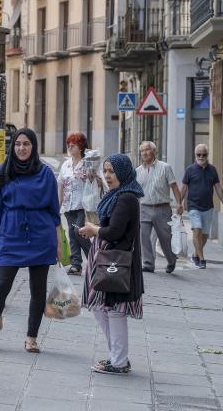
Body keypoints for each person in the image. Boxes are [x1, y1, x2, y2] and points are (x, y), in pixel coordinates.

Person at [0, 128, 61, 354]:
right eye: (18, 144)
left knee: (38, 290)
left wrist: (57, 245)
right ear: (12, 147)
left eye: (26, 144)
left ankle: (31, 338)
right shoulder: (2, 173)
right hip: (11, 236)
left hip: (40, 236)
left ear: (33, 147)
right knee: (0, 287)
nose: (22, 148)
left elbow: (55, 212)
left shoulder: (45, 174)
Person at [79, 154, 144, 375]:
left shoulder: (126, 198)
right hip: (109, 259)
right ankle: (118, 357)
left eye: (112, 171)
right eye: (105, 171)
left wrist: (94, 230)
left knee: (113, 311)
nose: (107, 175)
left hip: (116, 262)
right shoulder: (117, 195)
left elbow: (115, 231)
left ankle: (119, 361)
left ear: (123, 173)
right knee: (101, 308)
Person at [135, 141, 183, 274]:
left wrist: (179, 204)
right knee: (144, 237)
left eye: (147, 150)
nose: (144, 153)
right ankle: (148, 264)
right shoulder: (137, 171)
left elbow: (174, 186)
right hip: (144, 208)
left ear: (154, 152)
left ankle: (171, 259)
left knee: (165, 239)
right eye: (142, 150)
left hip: (162, 208)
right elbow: (135, 192)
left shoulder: (165, 167)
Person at [181, 144, 223, 269]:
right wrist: (179, 203)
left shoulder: (213, 170)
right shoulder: (190, 170)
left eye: (204, 154)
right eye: (199, 154)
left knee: (205, 235)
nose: (201, 157)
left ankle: (195, 255)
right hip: (193, 206)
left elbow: (218, 188)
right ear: (195, 155)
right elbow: (184, 188)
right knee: (197, 229)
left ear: (207, 155)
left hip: (208, 207)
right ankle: (202, 259)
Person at [58, 133, 94, 275]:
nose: (70, 147)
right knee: (72, 235)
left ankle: (94, 258)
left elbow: (97, 183)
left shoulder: (88, 163)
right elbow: (61, 185)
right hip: (68, 206)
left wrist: (92, 176)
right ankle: (76, 265)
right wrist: (58, 205)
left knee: (78, 231)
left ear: (81, 147)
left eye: (73, 144)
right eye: (69, 145)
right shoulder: (65, 165)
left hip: (83, 206)